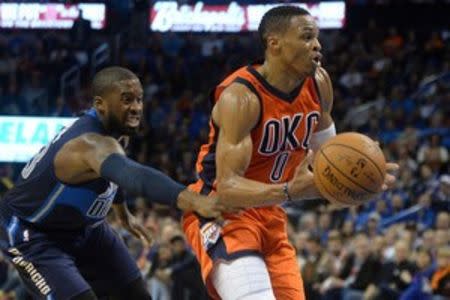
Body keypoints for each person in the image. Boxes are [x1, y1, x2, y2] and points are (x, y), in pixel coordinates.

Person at [182, 6, 398, 300]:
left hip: (271, 214)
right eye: (307, 37)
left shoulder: (319, 84)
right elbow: (228, 188)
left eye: (318, 37)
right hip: (222, 212)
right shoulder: (242, 96)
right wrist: (289, 191)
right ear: (275, 43)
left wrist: (359, 181)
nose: (318, 45)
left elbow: (327, 163)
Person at [0, 66, 224, 300]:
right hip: (33, 233)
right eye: (127, 100)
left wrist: (122, 212)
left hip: (86, 229)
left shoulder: (115, 131)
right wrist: (193, 200)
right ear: (100, 104)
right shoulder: (89, 144)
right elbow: (133, 175)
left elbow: (112, 175)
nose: (136, 107)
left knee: (136, 295)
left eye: (139, 99)